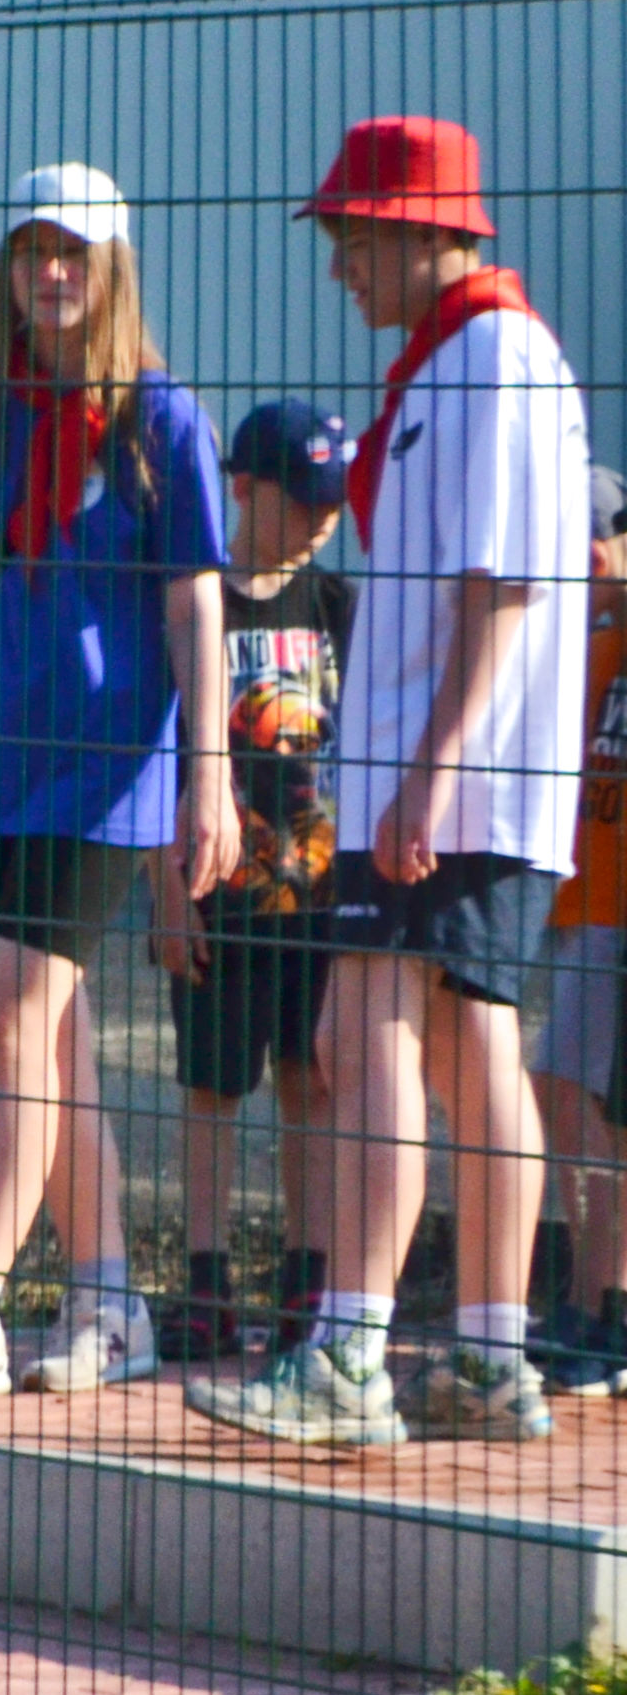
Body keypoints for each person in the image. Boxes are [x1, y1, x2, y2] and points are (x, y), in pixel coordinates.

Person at [196, 117, 600, 1451]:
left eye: (352, 237)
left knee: (364, 1030)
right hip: (442, 780)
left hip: (451, 784)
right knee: (465, 1046)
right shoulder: (452, 360)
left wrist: (430, 773)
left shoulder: (493, 358)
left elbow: (505, 587)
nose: (338, 267)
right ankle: (488, 1358)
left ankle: (350, 1357)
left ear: (421, 228)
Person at [0, 165, 240, 1406]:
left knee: (6, 1017)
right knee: (46, 1037)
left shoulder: (161, 419)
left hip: (107, 777)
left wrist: (209, 776)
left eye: (72, 254)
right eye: (29, 253)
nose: (49, 275)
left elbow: (195, 602)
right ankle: (112, 1304)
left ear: (112, 269)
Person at [154, 405, 356, 1364]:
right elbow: (156, 760)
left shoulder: (338, 606)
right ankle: (207, 1282)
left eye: (334, 501)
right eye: (303, 498)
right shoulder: (200, 609)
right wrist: (166, 894)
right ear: (241, 487)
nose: (323, 518)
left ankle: (307, 1279)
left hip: (318, 901)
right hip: (217, 897)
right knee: (212, 1089)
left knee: (311, 1082)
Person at [542, 465, 627, 1396]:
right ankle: (588, 1295)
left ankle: (601, 1306)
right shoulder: (592, 641)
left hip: (611, 912)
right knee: (564, 1094)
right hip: (581, 900)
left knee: (578, 1101)